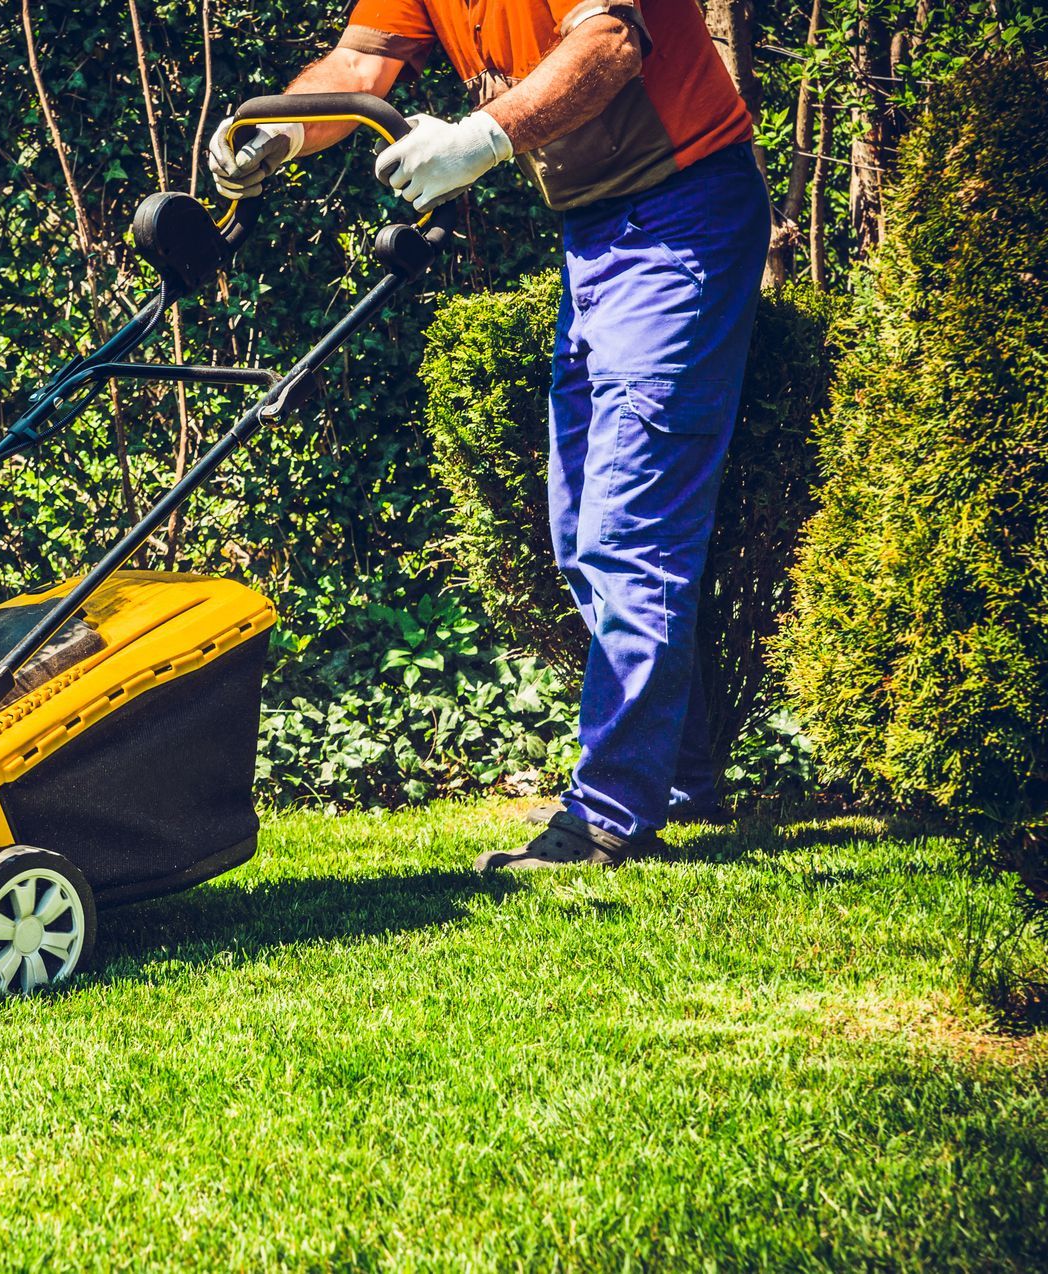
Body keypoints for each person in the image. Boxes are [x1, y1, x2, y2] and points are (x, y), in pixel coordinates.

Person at [209, 2, 769, 870]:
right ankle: (681, 776)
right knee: (583, 532)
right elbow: (360, 67)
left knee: (630, 535)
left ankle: (608, 817)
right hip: (595, 233)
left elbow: (611, 41)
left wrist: (480, 139)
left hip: (685, 213)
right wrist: (276, 132)